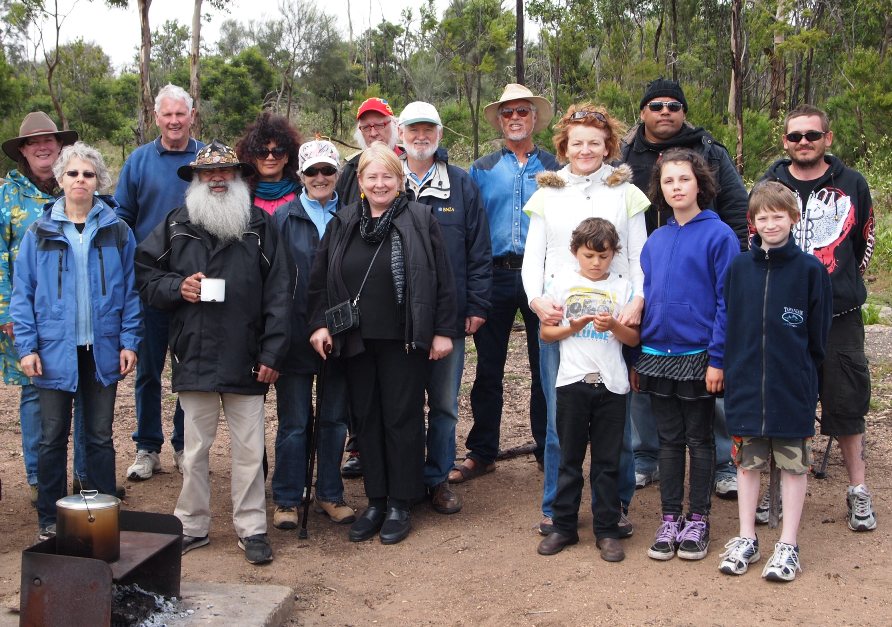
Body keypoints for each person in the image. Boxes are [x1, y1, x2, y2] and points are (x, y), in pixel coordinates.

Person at [135, 140, 293, 564]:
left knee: (249, 449)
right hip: (195, 353)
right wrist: (177, 286)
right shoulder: (174, 225)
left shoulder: (259, 225)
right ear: (197, 181)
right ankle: (191, 525)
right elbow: (146, 276)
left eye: (226, 172)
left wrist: (273, 352)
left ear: (239, 178)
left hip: (248, 354)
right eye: (209, 173)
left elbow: (280, 293)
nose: (219, 179)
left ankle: (252, 527)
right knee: (194, 448)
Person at [307, 142, 456, 545]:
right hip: (354, 339)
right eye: (371, 176)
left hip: (403, 338)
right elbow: (320, 279)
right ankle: (375, 499)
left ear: (400, 178)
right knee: (367, 418)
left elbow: (441, 277)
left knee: (402, 418)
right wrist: (320, 324)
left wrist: (443, 330)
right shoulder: (344, 221)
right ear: (359, 182)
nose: (380, 183)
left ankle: (400, 502)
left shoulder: (419, 218)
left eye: (387, 176)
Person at [521, 103, 648, 536]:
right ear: (564, 145)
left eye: (595, 142)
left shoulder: (624, 192)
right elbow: (531, 258)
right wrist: (537, 301)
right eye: (578, 142)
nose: (586, 150)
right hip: (560, 318)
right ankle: (559, 509)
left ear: (608, 144)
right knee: (561, 421)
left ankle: (617, 505)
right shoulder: (547, 193)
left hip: (612, 318)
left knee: (618, 417)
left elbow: (637, 257)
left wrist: (637, 302)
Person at [620, 78, 749, 499]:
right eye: (655, 105)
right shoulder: (624, 157)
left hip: (702, 280)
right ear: (643, 112)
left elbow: (736, 210)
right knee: (646, 376)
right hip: (645, 278)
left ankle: (724, 463)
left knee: (710, 385)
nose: (664, 111)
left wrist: (738, 263)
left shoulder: (709, 151)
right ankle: (646, 455)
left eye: (673, 105)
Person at [11, 142, 142, 540]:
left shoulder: (117, 231)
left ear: (98, 180)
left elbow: (131, 294)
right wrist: (28, 348)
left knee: (100, 436)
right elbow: (24, 294)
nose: (80, 181)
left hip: (101, 348)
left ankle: (100, 516)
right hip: (53, 351)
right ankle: (50, 519)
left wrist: (129, 341)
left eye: (87, 174)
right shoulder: (40, 232)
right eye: (72, 174)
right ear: (60, 178)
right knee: (52, 437)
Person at [763, 104, 877, 532]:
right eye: (795, 136)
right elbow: (757, 242)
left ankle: (858, 491)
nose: (804, 142)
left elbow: (864, 241)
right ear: (785, 141)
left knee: (846, 404)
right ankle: (772, 493)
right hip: (784, 316)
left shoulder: (853, 184)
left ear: (827, 138)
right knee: (782, 401)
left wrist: (838, 285)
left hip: (840, 315)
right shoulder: (771, 184)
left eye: (812, 135)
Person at [719, 181, 832, 582]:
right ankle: (747, 536)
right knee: (747, 465)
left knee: (792, 466)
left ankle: (787, 544)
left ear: (793, 218)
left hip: (791, 387)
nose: (770, 223)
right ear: (752, 221)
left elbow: (818, 339)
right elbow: (728, 323)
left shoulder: (810, 270)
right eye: (762, 217)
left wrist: (806, 381)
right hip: (746, 386)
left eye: (778, 216)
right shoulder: (738, 268)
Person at [449, 83, 559, 485]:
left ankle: (548, 448)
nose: (515, 118)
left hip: (541, 276)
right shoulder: (481, 169)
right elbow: (472, 227)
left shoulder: (555, 167)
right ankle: (483, 450)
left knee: (543, 366)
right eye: (508, 113)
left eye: (522, 112)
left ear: (534, 118)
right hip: (493, 273)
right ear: (499, 119)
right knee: (489, 368)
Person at [637, 148, 739, 562]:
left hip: (699, 356)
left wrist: (718, 359)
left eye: (683, 179)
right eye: (668, 181)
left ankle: (698, 518)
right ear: (659, 189)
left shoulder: (720, 236)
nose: (676, 187)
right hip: (655, 354)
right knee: (667, 440)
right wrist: (634, 357)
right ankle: (669, 518)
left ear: (700, 183)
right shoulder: (656, 240)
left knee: (699, 439)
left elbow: (727, 302)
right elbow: (643, 298)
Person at [396, 101, 492, 515]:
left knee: (444, 404)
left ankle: (437, 479)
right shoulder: (385, 178)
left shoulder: (461, 183)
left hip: (446, 317)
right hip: (394, 318)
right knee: (400, 403)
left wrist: (477, 304)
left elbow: (478, 249)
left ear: (439, 133)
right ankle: (402, 480)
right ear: (400, 133)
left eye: (428, 130)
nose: (421, 137)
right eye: (413, 130)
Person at [536, 218, 640, 562]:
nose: (596, 263)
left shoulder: (623, 288)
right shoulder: (561, 283)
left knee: (608, 461)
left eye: (604, 256)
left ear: (614, 255)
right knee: (569, 459)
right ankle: (563, 526)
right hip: (571, 383)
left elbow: (633, 339)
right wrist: (572, 326)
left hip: (612, 385)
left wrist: (614, 325)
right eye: (589, 255)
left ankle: (608, 530)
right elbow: (545, 335)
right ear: (575, 253)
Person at [115, 83, 205, 481]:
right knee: (149, 370)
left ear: (191, 115)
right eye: (166, 114)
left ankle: (184, 445)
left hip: (194, 283)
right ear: (156, 117)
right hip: (150, 283)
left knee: (188, 370)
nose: (173, 121)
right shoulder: (138, 162)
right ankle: (147, 446)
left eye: (180, 114)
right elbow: (122, 217)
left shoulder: (206, 159)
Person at [1, 112, 90, 504]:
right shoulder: (7, 196)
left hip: (81, 315)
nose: (43, 146)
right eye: (33, 142)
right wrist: (7, 314)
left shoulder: (75, 184)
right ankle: (41, 478)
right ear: (23, 150)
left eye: (49, 140)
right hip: (28, 318)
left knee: (88, 389)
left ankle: (84, 476)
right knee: (37, 394)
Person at [270, 139, 355, 529]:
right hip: (294, 336)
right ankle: (287, 497)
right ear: (301, 176)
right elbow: (272, 281)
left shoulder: (353, 215)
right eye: (312, 172)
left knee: (335, 419)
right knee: (295, 421)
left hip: (341, 335)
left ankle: (329, 493)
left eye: (327, 171)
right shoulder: (282, 219)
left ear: (337, 173)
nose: (320, 178)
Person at [333, 97, 405, 478]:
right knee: (360, 389)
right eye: (366, 127)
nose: (373, 131)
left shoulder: (410, 161)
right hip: (359, 302)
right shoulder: (349, 172)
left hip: (403, 307)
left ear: (392, 124)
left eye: (379, 124)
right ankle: (360, 446)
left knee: (404, 398)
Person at [235, 111, 303, 214]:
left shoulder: (303, 195)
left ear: (287, 157)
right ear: (252, 158)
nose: (270, 158)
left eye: (278, 152)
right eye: (262, 152)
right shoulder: (240, 197)